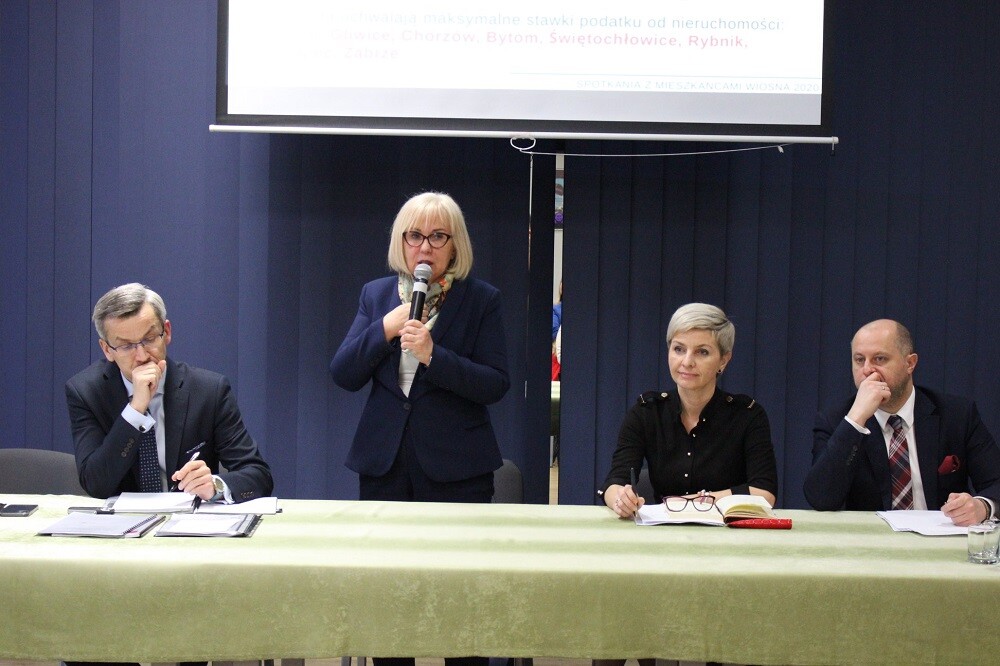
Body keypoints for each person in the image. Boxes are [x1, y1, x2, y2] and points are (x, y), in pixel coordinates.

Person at [330, 192, 509, 666]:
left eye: (437, 236)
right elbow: (343, 372)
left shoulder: (481, 300)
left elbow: (495, 383)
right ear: (401, 241)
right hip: (385, 465)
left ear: (455, 245)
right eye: (414, 236)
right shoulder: (376, 296)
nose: (424, 247)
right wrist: (384, 329)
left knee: (458, 604)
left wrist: (435, 356)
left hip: (458, 471)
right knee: (390, 602)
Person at [66, 283, 273, 503]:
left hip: (189, 521)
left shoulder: (209, 391)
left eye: (149, 339)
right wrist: (135, 411)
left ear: (166, 332)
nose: (142, 356)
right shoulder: (86, 392)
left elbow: (258, 475)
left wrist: (215, 486)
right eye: (126, 346)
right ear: (107, 349)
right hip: (123, 523)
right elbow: (96, 485)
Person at [805, 319, 1000, 526]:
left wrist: (983, 507)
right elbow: (820, 498)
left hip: (941, 538)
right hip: (872, 541)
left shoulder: (956, 415)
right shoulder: (837, 421)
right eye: (859, 360)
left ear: (910, 363)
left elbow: (996, 481)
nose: (867, 370)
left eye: (879, 359)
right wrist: (856, 421)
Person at [603, 302, 778, 517]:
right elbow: (614, 482)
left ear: (724, 360)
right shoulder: (646, 412)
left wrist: (691, 502)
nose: (687, 362)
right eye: (679, 349)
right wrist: (621, 499)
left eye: (702, 352)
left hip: (728, 531)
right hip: (664, 531)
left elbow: (764, 493)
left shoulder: (748, 415)